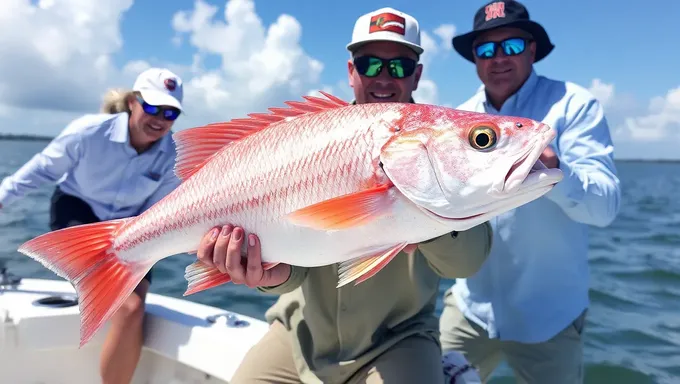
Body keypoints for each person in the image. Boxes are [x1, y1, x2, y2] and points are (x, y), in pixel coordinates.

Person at [193, 7, 489, 384]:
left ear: (417, 74)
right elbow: (290, 267)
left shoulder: (443, 143)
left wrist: (427, 206)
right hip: (300, 331)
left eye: (398, 66)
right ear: (352, 72)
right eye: (369, 64)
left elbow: (465, 263)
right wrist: (265, 273)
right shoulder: (310, 138)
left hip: (398, 340)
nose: (383, 77)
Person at [438, 1, 622, 383]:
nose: (499, 58)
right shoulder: (458, 119)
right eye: (486, 49)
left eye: (513, 45)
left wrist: (556, 170)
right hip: (471, 310)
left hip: (551, 319)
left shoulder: (574, 106)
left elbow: (606, 207)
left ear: (533, 49)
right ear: (475, 57)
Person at [0, 67, 185, 384]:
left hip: (130, 228)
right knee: (125, 305)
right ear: (132, 102)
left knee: (132, 307)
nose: (160, 118)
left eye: (170, 112)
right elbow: (42, 170)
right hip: (77, 210)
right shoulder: (87, 132)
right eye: (153, 107)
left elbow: (157, 212)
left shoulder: (175, 156)